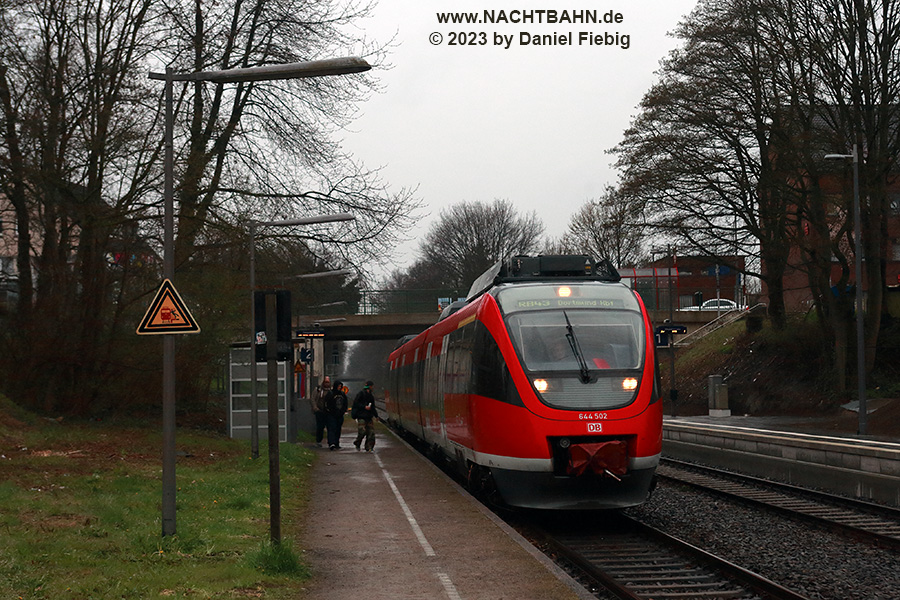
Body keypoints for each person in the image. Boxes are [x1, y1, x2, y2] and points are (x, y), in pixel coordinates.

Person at [351, 380, 378, 452]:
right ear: (370, 386)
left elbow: (373, 407)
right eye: (372, 386)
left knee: (371, 433)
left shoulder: (371, 396)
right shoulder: (361, 394)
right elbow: (356, 404)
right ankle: (358, 442)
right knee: (362, 431)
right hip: (361, 416)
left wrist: (376, 416)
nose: (373, 388)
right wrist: (364, 407)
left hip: (369, 417)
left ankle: (369, 446)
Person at [324, 379, 348, 450]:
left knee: (338, 429)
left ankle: (336, 443)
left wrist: (343, 411)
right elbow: (326, 404)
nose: (339, 387)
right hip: (331, 415)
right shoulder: (330, 394)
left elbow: (345, 404)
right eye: (339, 386)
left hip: (340, 415)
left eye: (340, 386)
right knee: (331, 429)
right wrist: (329, 412)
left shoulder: (342, 394)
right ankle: (331, 443)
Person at [310, 376, 331, 447]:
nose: (327, 384)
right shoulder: (318, 390)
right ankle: (318, 441)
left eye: (328, 382)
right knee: (320, 427)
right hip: (320, 411)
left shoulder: (331, 391)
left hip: (329, 412)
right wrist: (316, 409)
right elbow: (313, 399)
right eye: (325, 382)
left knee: (330, 427)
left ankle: (330, 441)